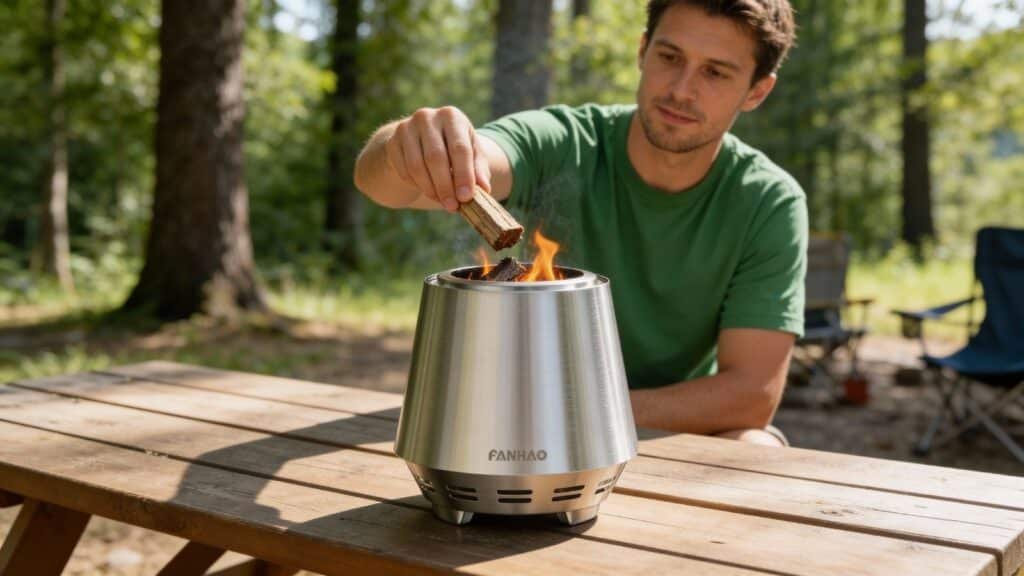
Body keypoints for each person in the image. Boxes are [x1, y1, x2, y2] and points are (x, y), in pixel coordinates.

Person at [354, 0, 807, 447]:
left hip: (660, 426)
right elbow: (391, 182)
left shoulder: (768, 201)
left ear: (756, 91)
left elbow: (751, 396)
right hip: (532, 435)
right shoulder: (564, 142)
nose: (682, 90)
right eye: (670, 57)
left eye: (715, 72)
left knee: (755, 445)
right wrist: (407, 147)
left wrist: (571, 410)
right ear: (643, 51)